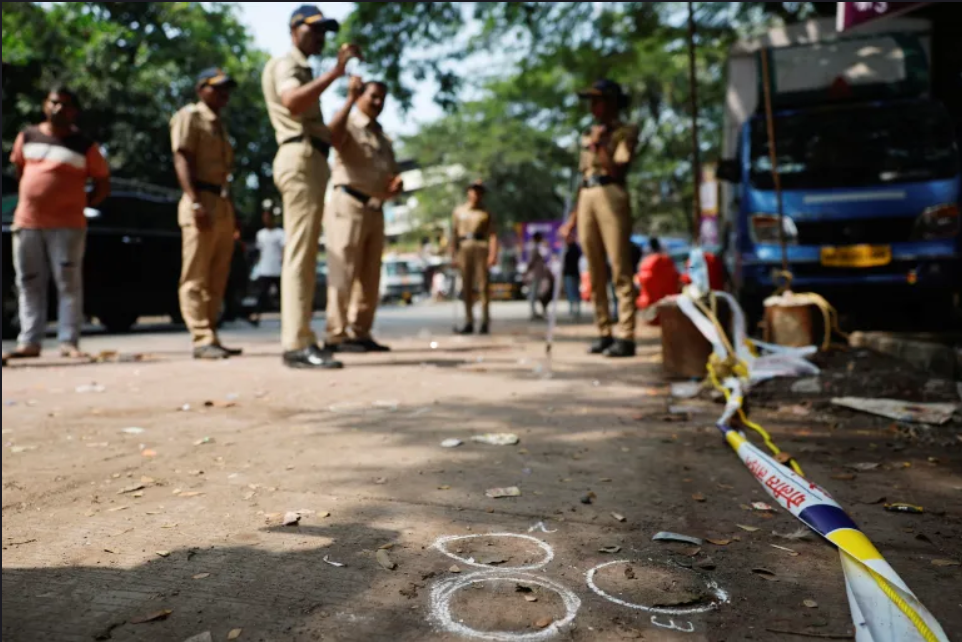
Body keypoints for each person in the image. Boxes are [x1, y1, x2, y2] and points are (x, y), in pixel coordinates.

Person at [262, 5, 360, 370]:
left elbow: (329, 135)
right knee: (300, 254)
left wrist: (348, 95)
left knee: (304, 254)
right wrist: (336, 71)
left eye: (324, 32)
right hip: (299, 157)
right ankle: (296, 343)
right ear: (293, 29)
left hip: (311, 157)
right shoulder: (289, 64)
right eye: (313, 29)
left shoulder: (304, 69)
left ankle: (302, 336)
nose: (319, 37)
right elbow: (292, 100)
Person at [4, 87, 110, 364]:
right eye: (54, 103)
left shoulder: (84, 145)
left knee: (68, 284)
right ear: (44, 105)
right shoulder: (27, 137)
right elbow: (20, 171)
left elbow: (102, 181)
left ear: (74, 111)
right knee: (28, 282)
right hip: (27, 222)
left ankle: (68, 341)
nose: (58, 109)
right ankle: (29, 341)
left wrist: (80, 203)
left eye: (65, 105)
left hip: (68, 225)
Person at [559, 79, 640, 358]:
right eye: (590, 101)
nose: (593, 107)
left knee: (619, 266)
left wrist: (599, 145)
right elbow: (584, 178)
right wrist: (571, 220)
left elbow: (618, 170)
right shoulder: (587, 133)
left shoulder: (624, 132)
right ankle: (603, 330)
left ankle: (626, 335)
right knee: (593, 268)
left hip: (612, 193)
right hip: (588, 197)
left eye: (598, 100)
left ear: (612, 103)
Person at [325, 78, 402, 353]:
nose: (378, 103)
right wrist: (348, 99)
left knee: (370, 276)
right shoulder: (348, 122)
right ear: (360, 95)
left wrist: (394, 187)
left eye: (383, 98)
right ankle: (335, 334)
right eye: (373, 96)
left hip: (376, 209)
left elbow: (390, 174)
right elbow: (331, 136)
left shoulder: (382, 136)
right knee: (343, 271)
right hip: (348, 204)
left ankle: (360, 332)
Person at [170, 68, 242, 360]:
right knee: (196, 275)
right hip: (199, 199)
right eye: (217, 88)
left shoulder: (219, 124)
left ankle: (211, 333)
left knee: (217, 275)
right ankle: (201, 337)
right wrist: (195, 201)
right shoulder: (190, 116)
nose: (224, 94)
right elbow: (182, 157)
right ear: (201, 88)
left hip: (220, 201)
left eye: (227, 89)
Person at [451, 180, 498, 334]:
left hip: (481, 247)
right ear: (468, 192)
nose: (476, 194)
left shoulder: (485, 213)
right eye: (473, 190)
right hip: (464, 248)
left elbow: (492, 235)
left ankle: (485, 321)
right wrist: (453, 255)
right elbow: (453, 235)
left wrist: (493, 254)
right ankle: (469, 321)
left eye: (479, 191)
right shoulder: (459, 211)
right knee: (466, 287)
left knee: (483, 286)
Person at [252, 208, 285, 324]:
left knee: (282, 295)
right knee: (262, 294)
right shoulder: (260, 234)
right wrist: (257, 268)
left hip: (278, 269)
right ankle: (256, 316)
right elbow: (260, 252)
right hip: (265, 269)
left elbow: (284, 250)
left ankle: (285, 318)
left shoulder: (280, 233)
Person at [636, 237, 680, 325]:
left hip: (652, 309)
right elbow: (677, 278)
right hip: (669, 306)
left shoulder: (646, 261)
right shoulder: (667, 259)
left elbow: (639, 282)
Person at [525, 232, 550, 321]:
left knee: (536, 293)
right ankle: (533, 312)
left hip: (537, 273)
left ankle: (534, 311)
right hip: (535, 274)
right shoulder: (534, 248)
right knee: (533, 293)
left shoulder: (535, 247)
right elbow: (531, 262)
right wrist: (527, 271)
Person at [562, 233, 583, 319]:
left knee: (573, 291)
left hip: (572, 273)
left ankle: (575, 309)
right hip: (570, 273)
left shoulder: (573, 248)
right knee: (571, 291)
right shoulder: (569, 248)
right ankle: (573, 309)